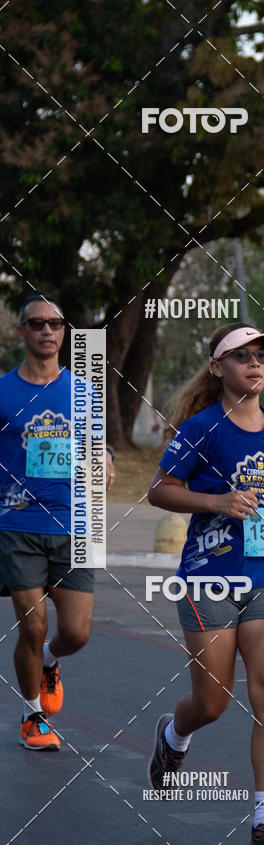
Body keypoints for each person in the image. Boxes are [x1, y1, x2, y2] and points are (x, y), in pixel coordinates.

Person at [147, 322, 264, 845]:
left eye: (262, 356)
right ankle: (174, 738)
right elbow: (160, 491)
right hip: (210, 578)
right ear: (217, 368)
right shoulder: (202, 427)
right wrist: (218, 503)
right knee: (213, 703)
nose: (255, 364)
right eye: (241, 356)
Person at [0, 294, 115, 750]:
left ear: (65, 333)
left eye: (56, 324)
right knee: (32, 626)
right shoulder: (4, 390)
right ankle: (32, 716)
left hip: (76, 523)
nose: (47, 331)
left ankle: (50, 662)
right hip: (17, 523)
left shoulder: (84, 392)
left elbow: (98, 443)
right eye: (38, 324)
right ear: (22, 332)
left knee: (76, 633)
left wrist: (104, 456)